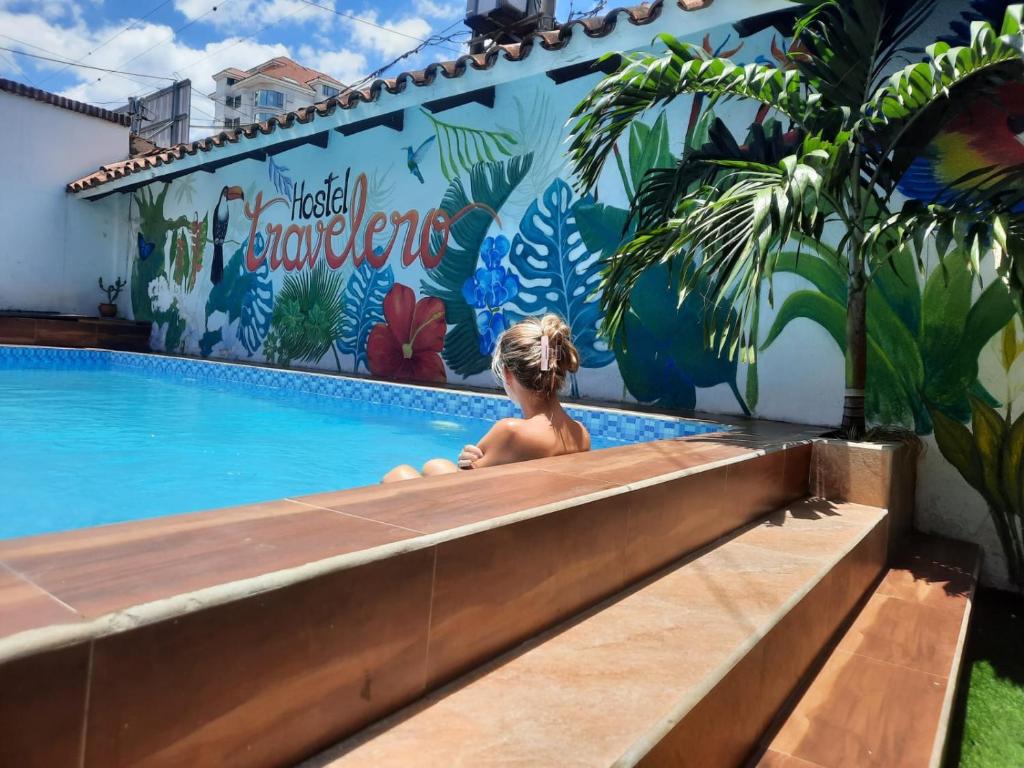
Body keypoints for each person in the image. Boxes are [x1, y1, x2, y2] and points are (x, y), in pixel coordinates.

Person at [382, 314, 590, 482]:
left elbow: (467, 487)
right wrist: (468, 461)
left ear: (508, 374)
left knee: (399, 474)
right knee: (435, 466)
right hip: (533, 520)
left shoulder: (511, 431)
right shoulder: (581, 434)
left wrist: (466, 463)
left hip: (491, 527)